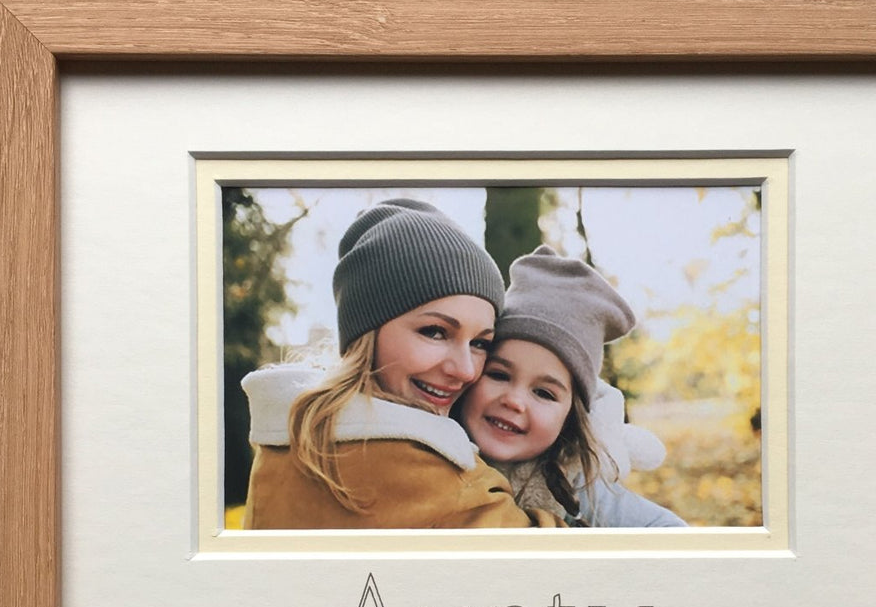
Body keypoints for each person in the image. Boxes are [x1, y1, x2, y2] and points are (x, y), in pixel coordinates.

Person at [241, 199, 562, 529]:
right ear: (366, 332)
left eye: (480, 343)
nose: (465, 370)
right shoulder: (424, 473)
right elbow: (548, 563)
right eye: (435, 332)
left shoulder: (288, 437)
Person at [456, 245, 686, 527]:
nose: (514, 401)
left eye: (544, 393)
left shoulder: (578, 485)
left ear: (570, 417)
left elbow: (671, 534)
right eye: (499, 375)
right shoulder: (432, 452)